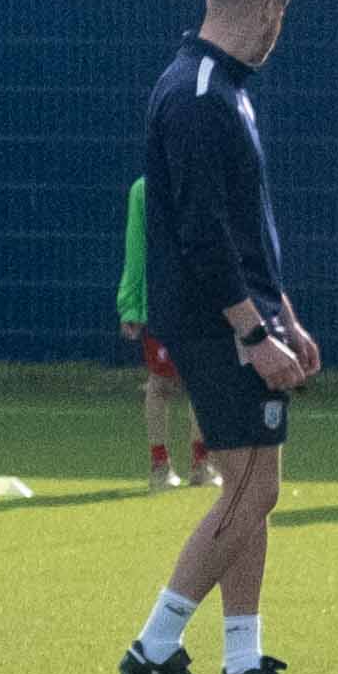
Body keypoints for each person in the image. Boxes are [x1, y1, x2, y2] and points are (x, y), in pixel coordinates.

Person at [124, 0, 327, 674]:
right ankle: (155, 644)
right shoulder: (201, 94)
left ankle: (243, 663)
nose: (280, 33)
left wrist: (287, 318)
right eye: (280, 18)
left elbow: (247, 227)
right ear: (267, 11)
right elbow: (202, 232)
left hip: (244, 314)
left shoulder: (223, 87)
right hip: (217, 323)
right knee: (246, 487)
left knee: (257, 484)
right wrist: (251, 330)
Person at [119, 173, 206, 488]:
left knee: (202, 381)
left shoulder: (207, 181)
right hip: (162, 303)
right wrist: (130, 304)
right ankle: (160, 465)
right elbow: (136, 247)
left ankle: (201, 464)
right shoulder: (144, 189)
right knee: (160, 383)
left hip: (202, 301)